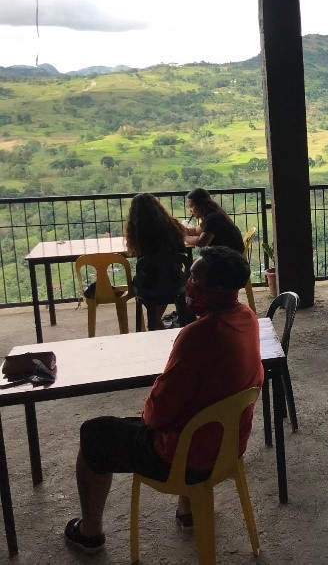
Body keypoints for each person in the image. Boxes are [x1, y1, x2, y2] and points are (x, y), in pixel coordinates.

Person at [64, 246, 264, 553]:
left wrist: (150, 408)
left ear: (218, 287)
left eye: (195, 277)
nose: (187, 283)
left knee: (95, 433)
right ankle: (189, 511)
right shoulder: (247, 318)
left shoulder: (198, 335)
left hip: (186, 459)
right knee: (199, 409)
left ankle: (89, 533)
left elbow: (155, 416)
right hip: (228, 448)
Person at [124, 193, 188, 330]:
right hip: (175, 281)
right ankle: (156, 321)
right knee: (164, 283)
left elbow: (137, 255)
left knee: (151, 285)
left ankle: (154, 322)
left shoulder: (137, 234)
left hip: (149, 285)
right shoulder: (172, 226)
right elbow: (182, 250)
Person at [184, 188, 244, 253]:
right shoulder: (212, 214)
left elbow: (201, 242)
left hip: (230, 258)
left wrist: (184, 237)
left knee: (193, 261)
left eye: (192, 206)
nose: (190, 210)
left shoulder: (213, 217)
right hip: (229, 254)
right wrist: (184, 230)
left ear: (201, 204)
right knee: (193, 261)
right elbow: (196, 231)